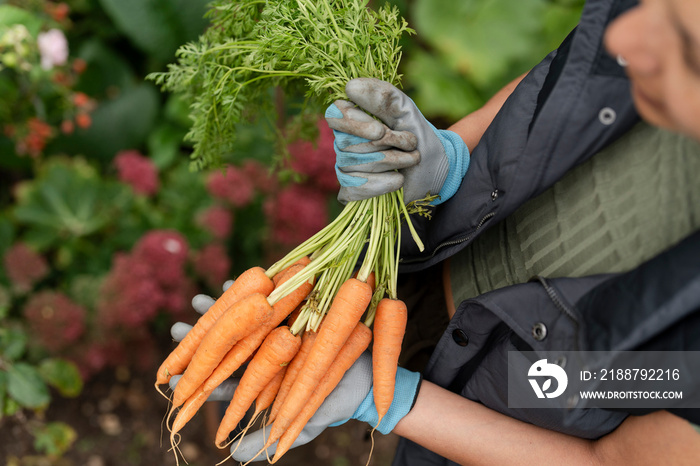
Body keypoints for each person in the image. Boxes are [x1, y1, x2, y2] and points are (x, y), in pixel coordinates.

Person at [172, 0, 700, 463]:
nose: (622, 38)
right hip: (426, 266)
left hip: (508, 409)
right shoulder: (653, 28)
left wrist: (387, 399)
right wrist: (450, 162)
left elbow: (611, 462)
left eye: (688, 49)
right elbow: (555, 93)